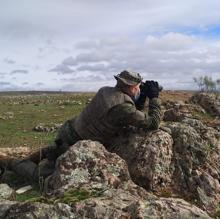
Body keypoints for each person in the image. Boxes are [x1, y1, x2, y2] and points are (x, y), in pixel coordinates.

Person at [0, 70, 161, 185]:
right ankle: (9, 163)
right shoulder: (122, 106)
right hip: (73, 145)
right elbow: (152, 123)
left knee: (53, 151)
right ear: (133, 87)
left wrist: (143, 97)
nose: (139, 89)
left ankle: (41, 155)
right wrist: (154, 98)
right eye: (138, 87)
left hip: (69, 131)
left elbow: (131, 113)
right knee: (43, 177)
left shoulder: (106, 91)